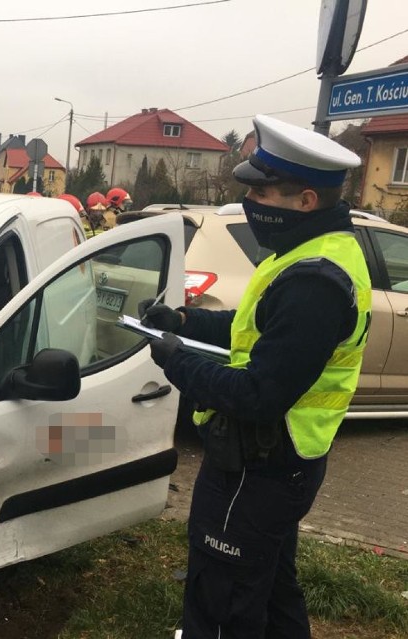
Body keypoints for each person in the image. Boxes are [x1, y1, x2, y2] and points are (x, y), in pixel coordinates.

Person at [139, 114, 371, 638]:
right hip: (277, 464)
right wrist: (183, 320)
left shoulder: (315, 282)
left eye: (261, 192)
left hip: (258, 464)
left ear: (305, 201)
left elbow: (260, 393)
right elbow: (253, 330)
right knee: (271, 587)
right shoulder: (307, 253)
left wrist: (177, 359)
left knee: (222, 601)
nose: (249, 202)